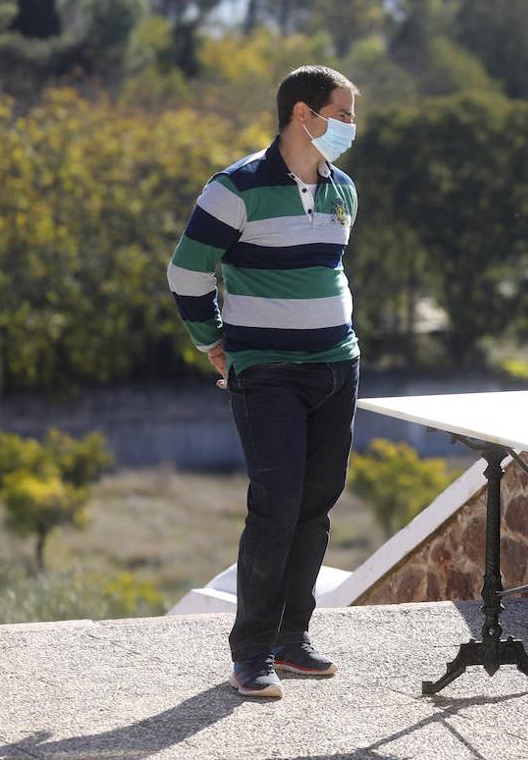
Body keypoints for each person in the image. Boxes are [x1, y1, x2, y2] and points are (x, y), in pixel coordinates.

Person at [167, 65, 363, 700]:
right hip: (266, 373)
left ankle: (293, 638)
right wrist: (214, 344)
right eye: (343, 113)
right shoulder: (236, 188)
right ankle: (250, 652)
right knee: (276, 503)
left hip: (337, 366)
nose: (350, 127)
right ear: (303, 114)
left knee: (317, 501)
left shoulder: (343, 191)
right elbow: (187, 274)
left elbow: (324, 271)